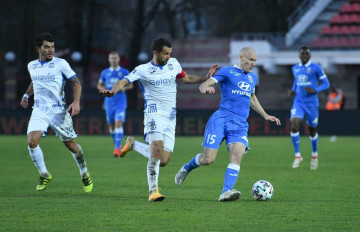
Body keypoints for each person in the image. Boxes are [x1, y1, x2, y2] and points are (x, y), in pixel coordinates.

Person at [100, 38, 217, 201]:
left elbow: (186, 78)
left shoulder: (173, 63)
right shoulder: (143, 69)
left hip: (170, 117)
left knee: (163, 160)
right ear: (156, 53)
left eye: (170, 53)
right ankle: (153, 191)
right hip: (153, 114)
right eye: (165, 53)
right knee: (157, 148)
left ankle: (132, 144)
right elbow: (123, 80)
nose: (168, 56)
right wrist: (113, 91)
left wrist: (205, 77)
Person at [174, 47, 281, 202]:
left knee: (237, 155)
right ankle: (187, 167)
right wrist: (206, 89)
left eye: (255, 61)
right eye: (251, 60)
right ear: (241, 57)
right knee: (208, 159)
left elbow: (252, 98)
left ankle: (226, 192)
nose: (253, 64)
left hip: (240, 124)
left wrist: (265, 115)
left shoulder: (252, 78)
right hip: (221, 119)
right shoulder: (227, 71)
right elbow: (203, 85)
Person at [20, 32, 93, 193]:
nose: (51, 50)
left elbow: (76, 83)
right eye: (47, 47)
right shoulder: (32, 65)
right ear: (38, 49)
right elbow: (35, 81)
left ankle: (84, 172)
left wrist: (76, 102)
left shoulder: (61, 64)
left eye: (52, 47)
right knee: (32, 142)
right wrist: (26, 95)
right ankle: (44, 174)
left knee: (71, 145)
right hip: (39, 110)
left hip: (58, 111)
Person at [288, 46, 330, 170]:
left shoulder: (316, 68)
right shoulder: (295, 68)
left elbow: (326, 83)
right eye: (302, 54)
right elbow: (296, 82)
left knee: (312, 130)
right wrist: (293, 90)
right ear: (299, 55)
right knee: (294, 123)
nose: (304, 56)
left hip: (311, 104)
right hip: (299, 102)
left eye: (307, 54)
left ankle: (314, 155)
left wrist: (315, 90)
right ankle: (297, 156)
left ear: (310, 56)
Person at [97, 51, 133, 157]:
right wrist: (103, 89)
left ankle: (117, 149)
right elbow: (99, 85)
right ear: (109, 60)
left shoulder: (124, 71)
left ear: (119, 59)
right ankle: (117, 145)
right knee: (112, 126)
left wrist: (124, 88)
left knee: (118, 123)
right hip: (109, 102)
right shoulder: (105, 72)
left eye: (115, 58)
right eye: (112, 58)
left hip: (120, 101)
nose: (113, 60)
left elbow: (131, 85)